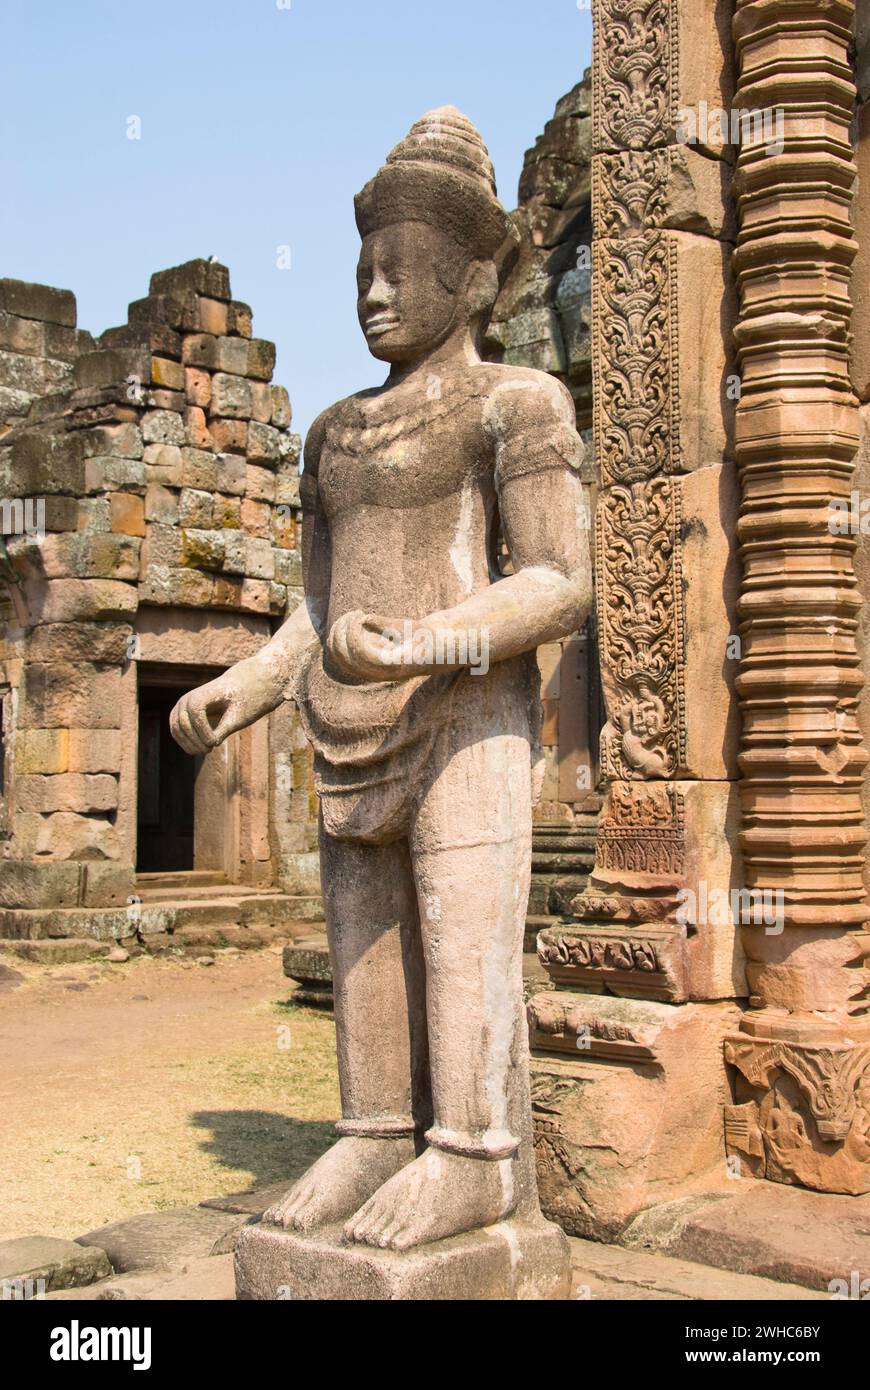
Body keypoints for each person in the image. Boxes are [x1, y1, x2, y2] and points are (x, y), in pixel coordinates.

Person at [170, 107, 591, 1250]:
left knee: (462, 946)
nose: (370, 291)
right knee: (362, 948)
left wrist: (428, 642)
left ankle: (473, 1156)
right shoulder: (334, 435)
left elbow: (560, 579)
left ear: (469, 284)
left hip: (465, 720)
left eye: (399, 270)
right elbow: (316, 600)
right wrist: (251, 683)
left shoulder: (519, 404)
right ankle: (372, 1131)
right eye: (362, 269)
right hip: (346, 723)